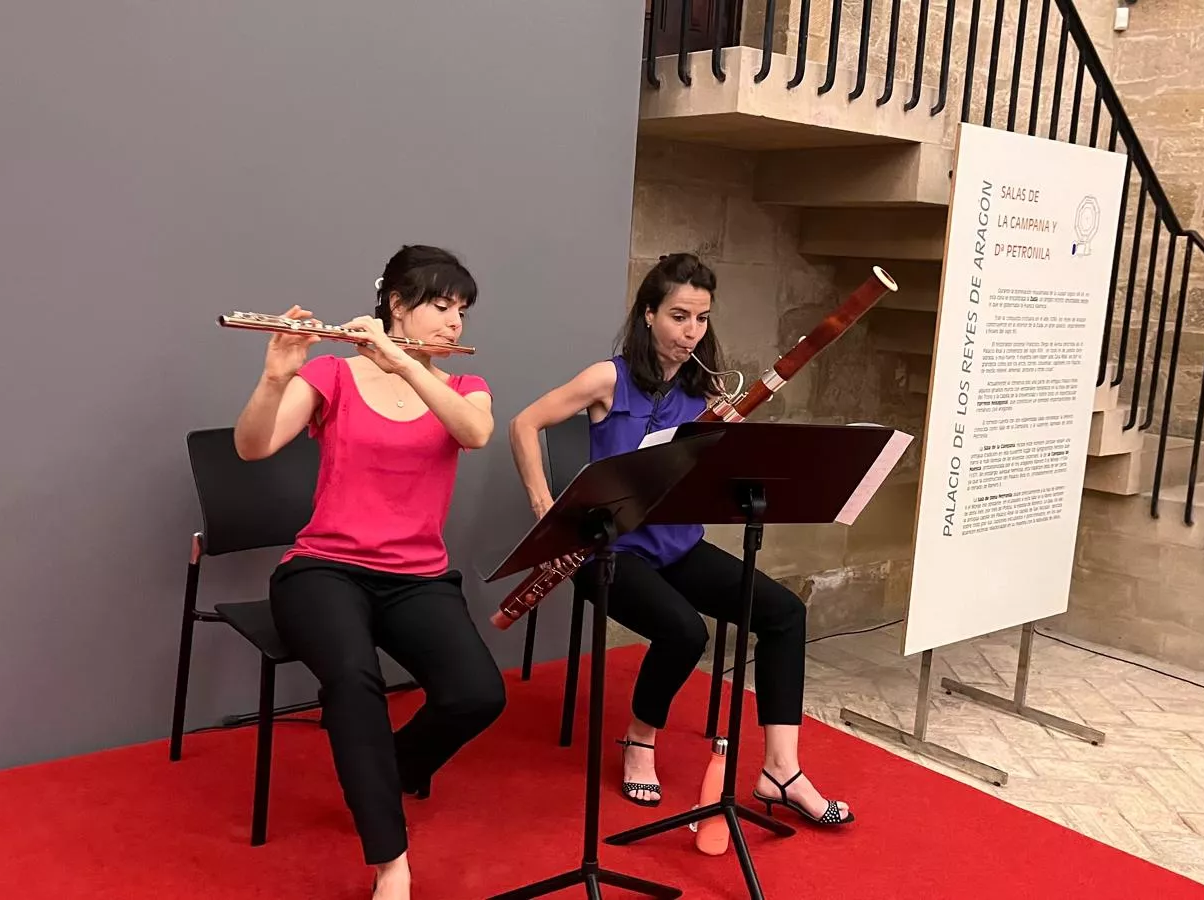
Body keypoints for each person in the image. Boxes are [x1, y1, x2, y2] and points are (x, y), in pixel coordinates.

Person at [506, 253, 853, 828]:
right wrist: (546, 508)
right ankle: (640, 740)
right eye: (678, 316)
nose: (690, 332)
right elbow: (524, 424)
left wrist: (725, 442)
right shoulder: (607, 378)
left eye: (701, 319)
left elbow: (705, 481)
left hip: (677, 546)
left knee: (784, 613)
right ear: (648, 315)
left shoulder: (706, 393)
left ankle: (781, 771)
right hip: (606, 550)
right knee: (684, 631)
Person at [232, 245, 506, 900]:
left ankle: (384, 769)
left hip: (418, 577)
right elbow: (253, 447)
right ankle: (391, 862)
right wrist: (275, 377)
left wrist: (409, 369)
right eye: (440, 307)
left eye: (462, 311)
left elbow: (475, 434)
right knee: (355, 683)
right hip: (323, 569)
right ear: (395, 304)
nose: (453, 324)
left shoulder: (463, 387)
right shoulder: (332, 373)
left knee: (478, 693)